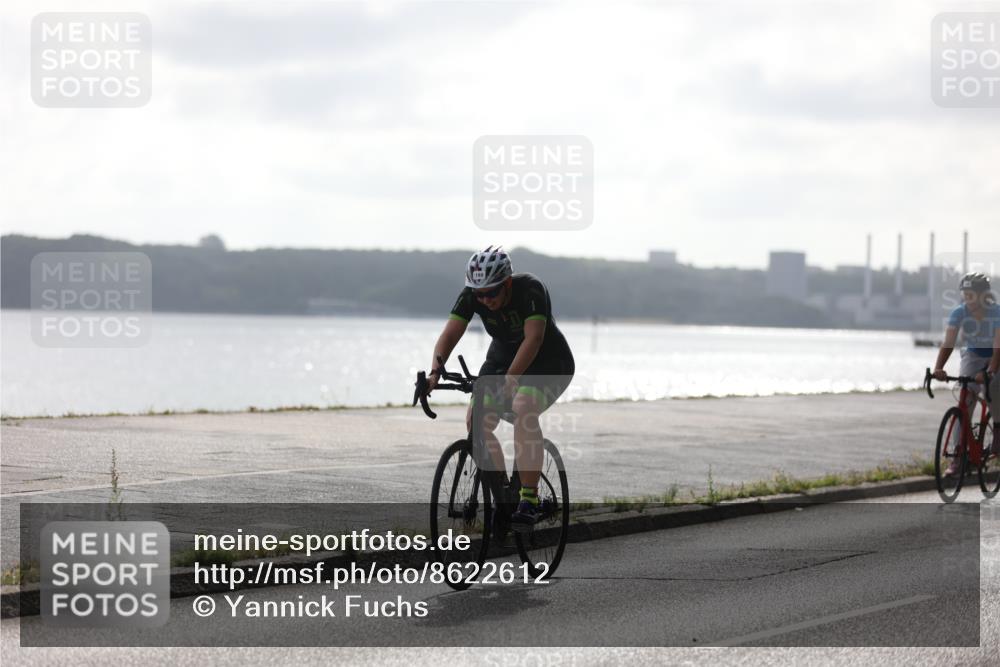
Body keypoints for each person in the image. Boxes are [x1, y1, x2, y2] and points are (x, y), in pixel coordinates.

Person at [426, 245, 574, 531]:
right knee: (477, 420)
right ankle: (503, 493)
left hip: (548, 361)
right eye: (479, 294)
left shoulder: (531, 289)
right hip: (502, 358)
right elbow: (449, 334)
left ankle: (528, 500)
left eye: (491, 292)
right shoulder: (473, 294)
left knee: (523, 407)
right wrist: (435, 372)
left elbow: (534, 338)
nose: (485, 299)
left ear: (506, 283)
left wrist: (513, 377)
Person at [931, 272, 1000, 475]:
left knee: (993, 388)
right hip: (973, 354)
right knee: (964, 401)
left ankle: (998, 429)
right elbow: (948, 343)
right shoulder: (959, 313)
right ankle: (959, 458)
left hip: (996, 355)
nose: (967, 299)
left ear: (984, 295)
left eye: (972, 295)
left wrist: (990, 371)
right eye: (965, 294)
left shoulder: (996, 313)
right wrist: (938, 368)